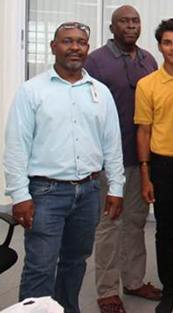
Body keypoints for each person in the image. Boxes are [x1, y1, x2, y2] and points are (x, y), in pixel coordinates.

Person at [4, 22, 125, 313]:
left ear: (87, 48)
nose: (75, 47)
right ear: (53, 46)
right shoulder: (32, 91)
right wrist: (19, 194)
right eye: (67, 41)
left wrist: (117, 187)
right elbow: (16, 145)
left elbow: (112, 143)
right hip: (46, 192)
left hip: (89, 191)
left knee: (75, 262)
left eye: (81, 42)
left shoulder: (100, 91)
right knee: (41, 266)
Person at [84, 5, 160, 313]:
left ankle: (133, 280)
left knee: (136, 222)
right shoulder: (97, 62)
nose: (131, 26)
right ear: (112, 27)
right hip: (109, 160)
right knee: (110, 224)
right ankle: (106, 291)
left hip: (142, 157)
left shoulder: (148, 60)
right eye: (124, 21)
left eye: (136, 21)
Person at [134, 19, 173, 313]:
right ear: (159, 46)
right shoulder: (148, 85)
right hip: (163, 168)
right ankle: (169, 291)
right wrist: (146, 176)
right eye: (167, 43)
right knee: (165, 232)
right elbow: (143, 131)